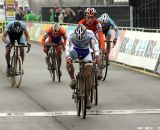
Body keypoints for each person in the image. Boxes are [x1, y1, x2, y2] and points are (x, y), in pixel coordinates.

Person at [66, 24, 100, 109]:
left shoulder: (90, 34)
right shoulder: (71, 34)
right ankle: (73, 79)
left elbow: (95, 45)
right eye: (78, 38)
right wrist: (68, 57)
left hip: (86, 51)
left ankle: (87, 97)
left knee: (88, 74)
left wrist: (97, 55)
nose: (80, 39)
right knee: (68, 63)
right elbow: (67, 46)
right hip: (75, 50)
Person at [79, 7, 106, 80]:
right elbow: (79, 37)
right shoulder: (81, 23)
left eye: (92, 17)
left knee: (97, 40)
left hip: (94, 35)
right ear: (85, 17)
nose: (90, 20)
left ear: (95, 17)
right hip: (85, 35)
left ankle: (99, 68)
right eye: (88, 17)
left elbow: (101, 36)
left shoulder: (97, 23)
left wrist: (103, 48)